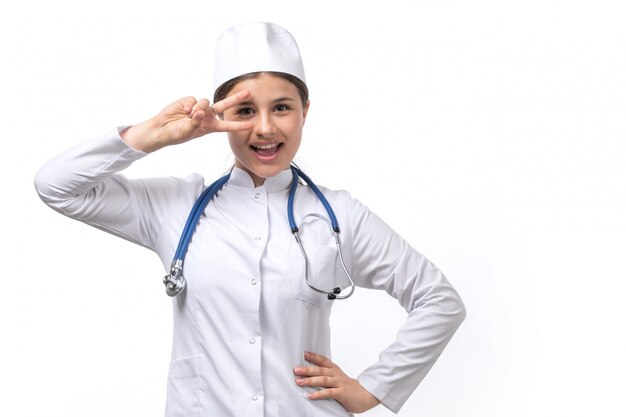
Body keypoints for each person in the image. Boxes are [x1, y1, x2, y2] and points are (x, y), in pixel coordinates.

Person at [34, 22, 466, 417]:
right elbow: (55, 185)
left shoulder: (338, 216)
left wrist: (372, 388)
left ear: (305, 112)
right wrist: (152, 136)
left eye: (281, 108)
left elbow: (439, 300)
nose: (264, 128)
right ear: (220, 117)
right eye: (244, 112)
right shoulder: (176, 206)